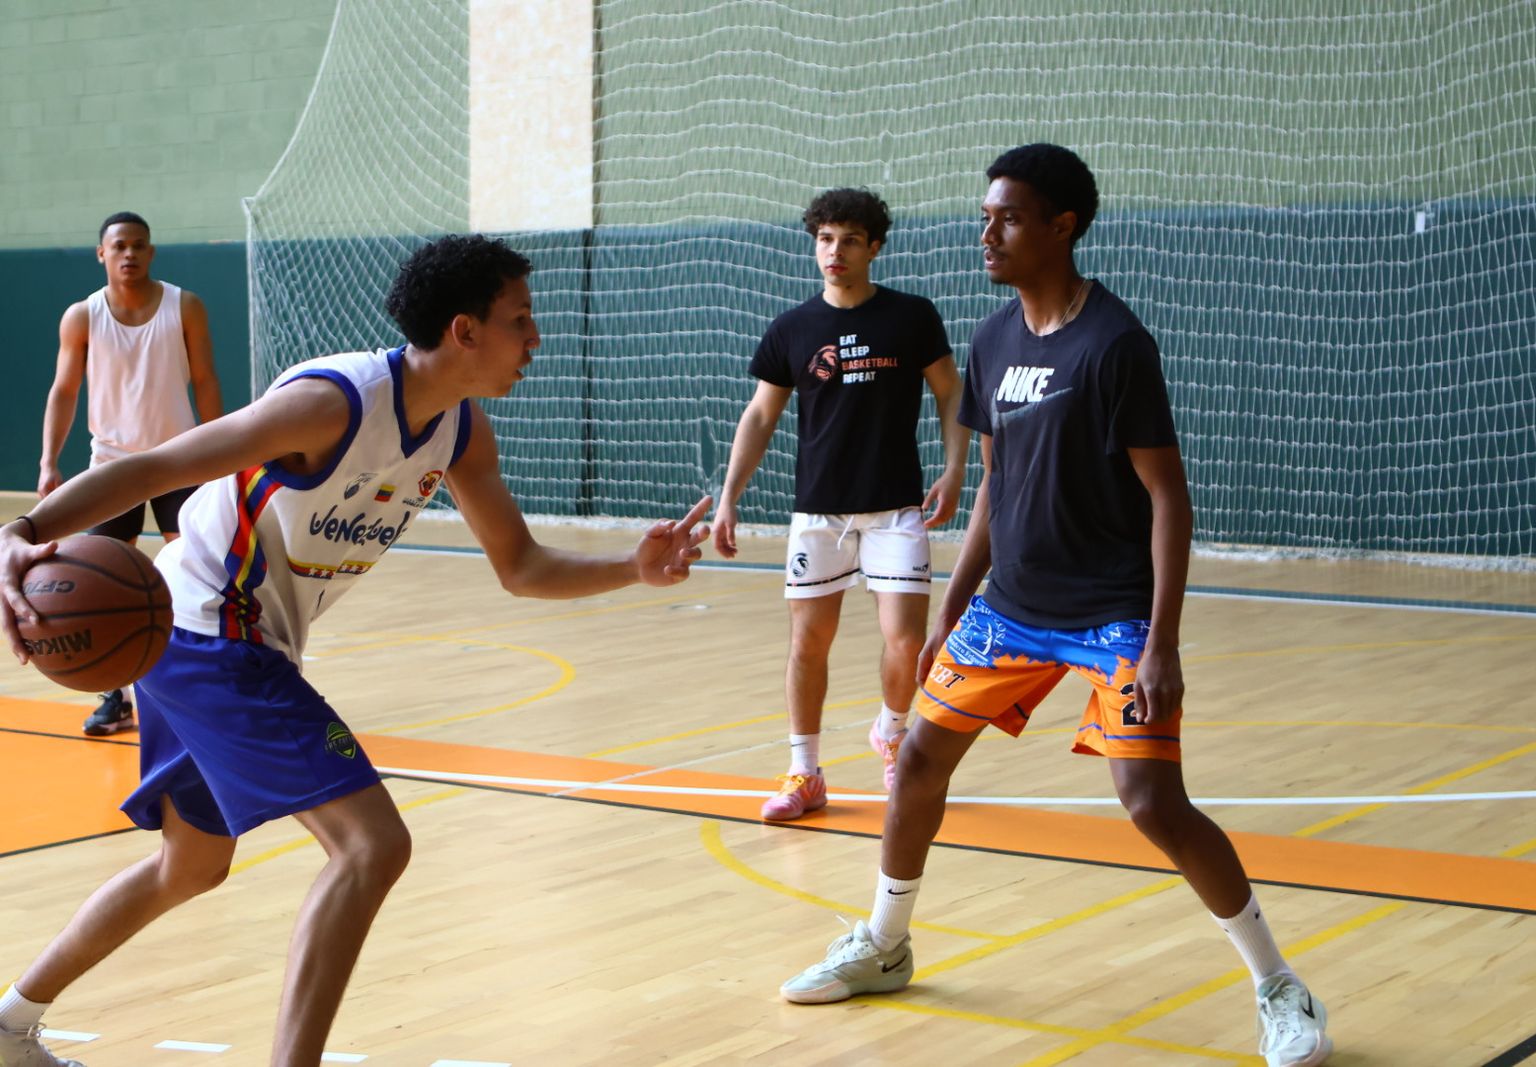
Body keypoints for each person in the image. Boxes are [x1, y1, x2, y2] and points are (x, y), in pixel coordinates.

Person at [0, 234, 711, 1067]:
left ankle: (10, 1023)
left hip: (220, 638)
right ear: (464, 330)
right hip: (207, 627)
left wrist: (632, 566)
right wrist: (24, 528)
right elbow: (160, 464)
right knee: (372, 843)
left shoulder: (457, 431)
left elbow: (520, 567)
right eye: (521, 320)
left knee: (190, 865)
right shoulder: (331, 401)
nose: (537, 339)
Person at [779, 146, 1333, 1067]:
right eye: (985, 214)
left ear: (1062, 227)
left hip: (1113, 610)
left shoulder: (1115, 344)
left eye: (1007, 217)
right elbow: (995, 484)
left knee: (1150, 797)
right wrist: (955, 605)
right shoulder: (993, 338)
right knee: (918, 757)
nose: (985, 231)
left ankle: (1279, 983)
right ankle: (885, 943)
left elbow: (1169, 497)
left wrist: (1161, 641)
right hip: (1011, 605)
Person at [712, 188, 968, 821]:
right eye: (825, 239)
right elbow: (760, 415)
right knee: (807, 644)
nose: (835, 251)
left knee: (905, 642)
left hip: (895, 508)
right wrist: (728, 500)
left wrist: (957, 467)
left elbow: (950, 392)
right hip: (819, 511)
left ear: (874, 248)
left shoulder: (911, 317)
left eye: (850, 240)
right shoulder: (793, 329)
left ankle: (893, 734)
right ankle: (805, 774)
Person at [39, 211, 223, 738]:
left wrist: (220, 456)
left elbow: (207, 381)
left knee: (199, 575)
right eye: (119, 246)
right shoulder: (82, 316)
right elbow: (64, 391)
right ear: (102, 253)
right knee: (98, 582)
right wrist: (49, 460)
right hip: (113, 467)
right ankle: (113, 697)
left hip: (180, 460)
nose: (130, 254)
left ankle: (204, 686)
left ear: (151, 251)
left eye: (139, 245)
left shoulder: (185, 305)